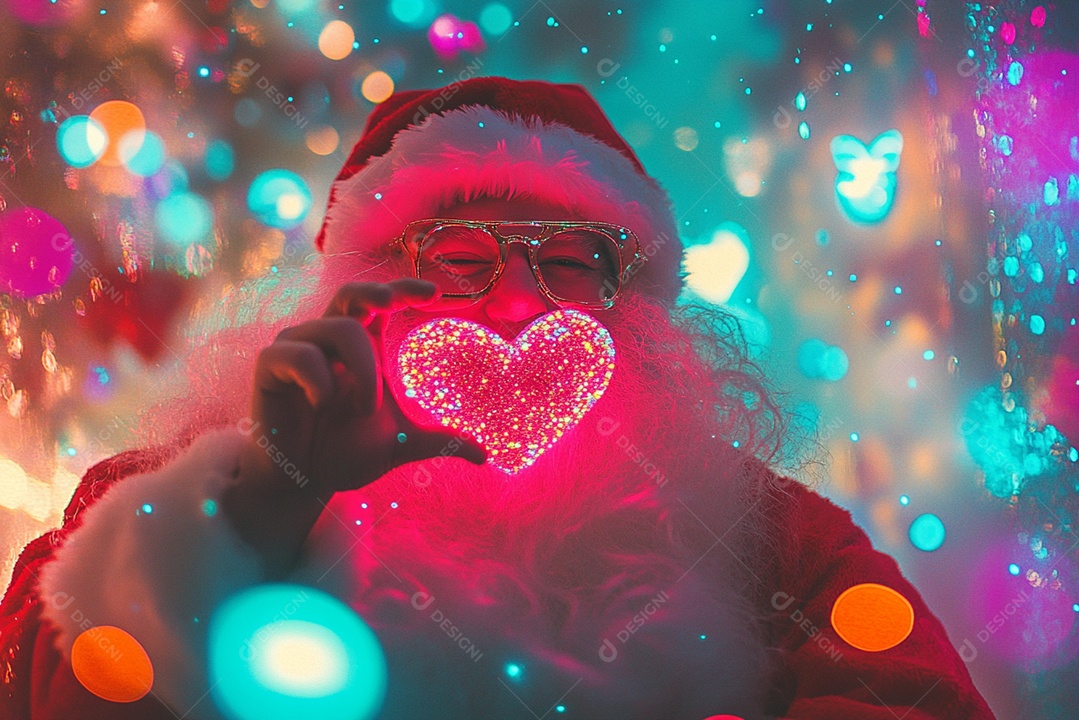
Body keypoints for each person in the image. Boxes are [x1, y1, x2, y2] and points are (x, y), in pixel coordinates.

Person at [0, 77, 997, 719]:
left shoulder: (768, 537)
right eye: (460, 257)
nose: (519, 301)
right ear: (358, 293)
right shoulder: (166, 497)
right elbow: (57, 687)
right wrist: (266, 503)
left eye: (572, 261)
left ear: (639, 316)